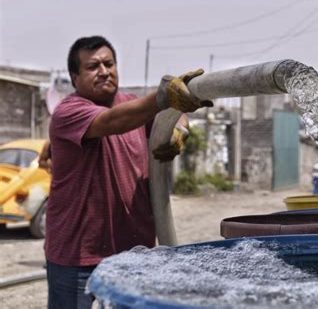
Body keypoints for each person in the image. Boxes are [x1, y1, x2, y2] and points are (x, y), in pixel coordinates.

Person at [44, 36, 212, 309]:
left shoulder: (131, 104)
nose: (104, 71)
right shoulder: (69, 111)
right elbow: (114, 120)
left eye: (109, 64)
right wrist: (163, 98)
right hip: (77, 256)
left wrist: (179, 125)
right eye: (93, 66)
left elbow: (166, 116)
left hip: (134, 253)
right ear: (75, 77)